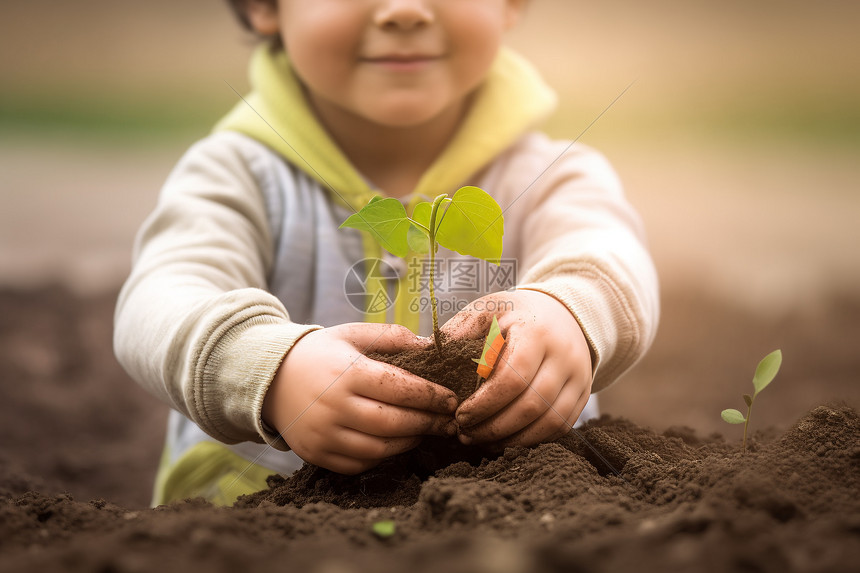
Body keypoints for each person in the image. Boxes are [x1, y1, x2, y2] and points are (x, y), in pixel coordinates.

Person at [114, 0, 659, 506]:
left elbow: (608, 254)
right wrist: (269, 370)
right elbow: (159, 300)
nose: (403, 10)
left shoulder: (555, 174)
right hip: (258, 521)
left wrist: (569, 310)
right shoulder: (237, 175)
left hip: (510, 512)